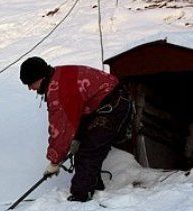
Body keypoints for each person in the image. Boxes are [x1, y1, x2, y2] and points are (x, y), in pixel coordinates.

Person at [19, 56, 131, 202]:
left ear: (40, 77)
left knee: (88, 152)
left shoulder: (59, 91)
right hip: (101, 105)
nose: (29, 88)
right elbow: (74, 115)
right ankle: (94, 187)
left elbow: (60, 130)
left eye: (30, 83)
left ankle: (81, 198)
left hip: (112, 106)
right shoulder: (58, 76)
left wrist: (55, 161)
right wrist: (76, 138)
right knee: (84, 147)